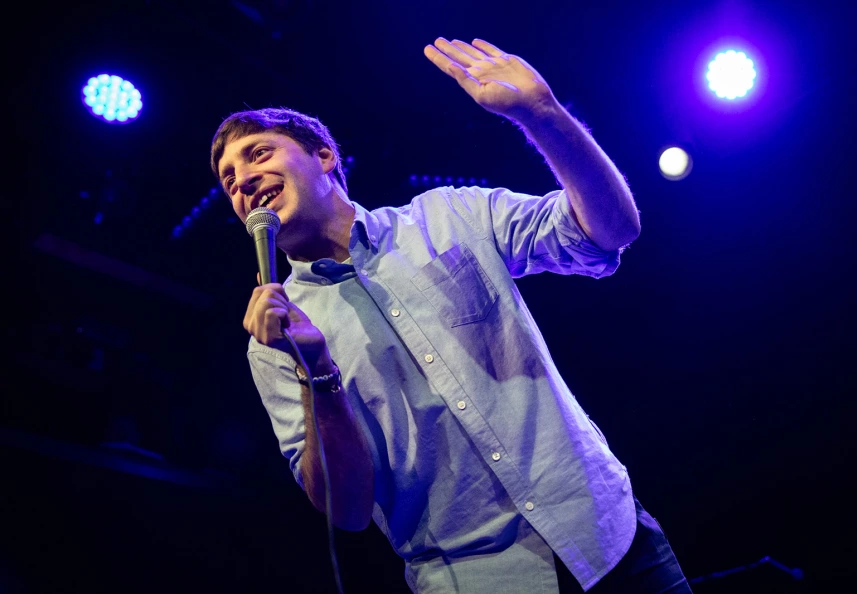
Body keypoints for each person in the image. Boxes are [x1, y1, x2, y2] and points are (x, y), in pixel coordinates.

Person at [210, 37, 691, 594]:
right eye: (227, 179)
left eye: (259, 154)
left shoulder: (448, 215)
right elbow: (345, 510)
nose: (241, 181)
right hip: (476, 580)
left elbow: (609, 232)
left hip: (610, 539)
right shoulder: (271, 341)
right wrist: (317, 371)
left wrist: (543, 115)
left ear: (323, 156)